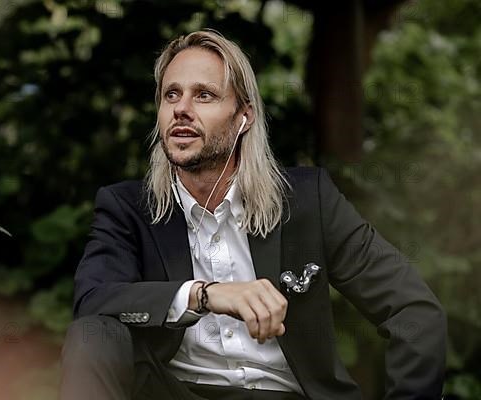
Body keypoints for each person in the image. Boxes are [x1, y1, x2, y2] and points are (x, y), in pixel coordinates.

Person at [60, 30, 446, 399]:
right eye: (171, 94)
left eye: (204, 95)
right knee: (94, 333)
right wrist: (205, 295)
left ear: (244, 117)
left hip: (284, 395)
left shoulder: (308, 201)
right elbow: (94, 300)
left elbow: (411, 309)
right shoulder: (129, 208)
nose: (181, 109)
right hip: (170, 392)